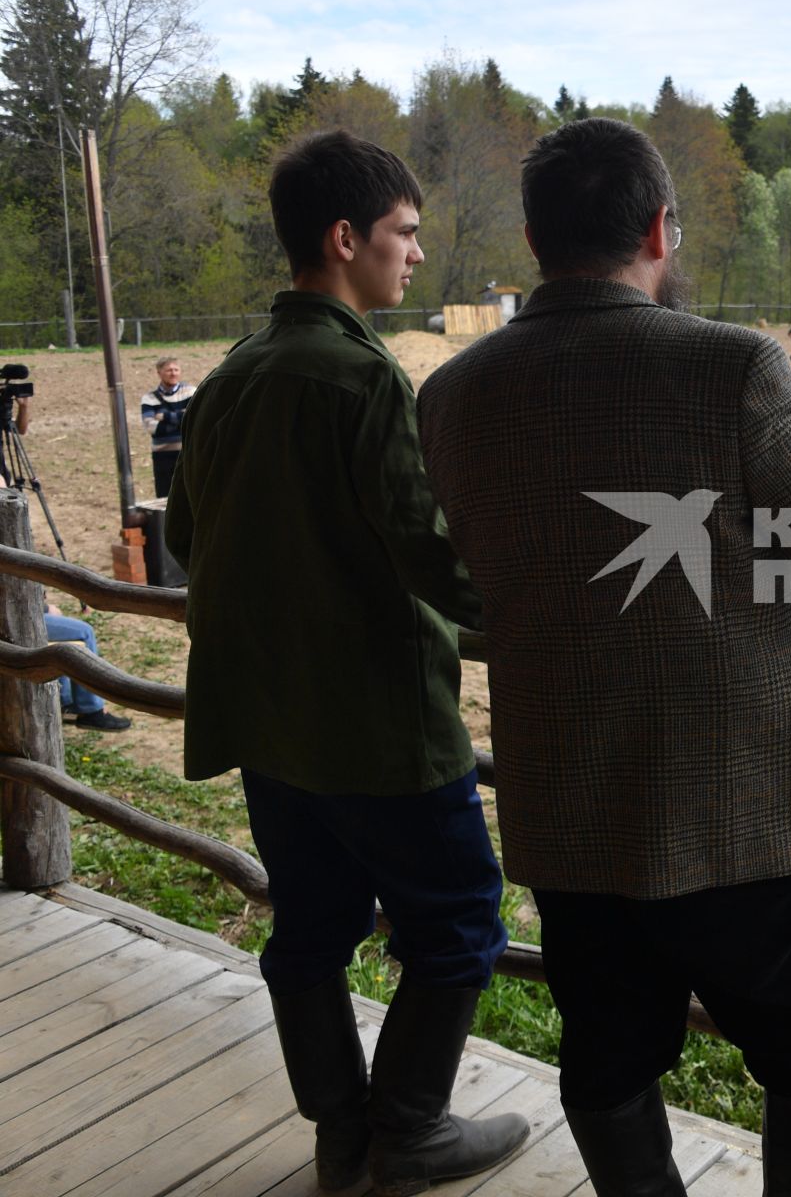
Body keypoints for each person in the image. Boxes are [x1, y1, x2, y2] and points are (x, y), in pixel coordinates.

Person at [415, 118, 791, 1193]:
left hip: (571, 799)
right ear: (661, 227)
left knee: (606, 1054)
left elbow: (471, 572)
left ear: (531, 237)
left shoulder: (453, 392)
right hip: (755, 799)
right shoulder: (730, 366)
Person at [165, 130, 527, 1193]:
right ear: (344, 238)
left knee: (313, 927)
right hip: (379, 725)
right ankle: (408, 1129)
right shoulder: (361, 377)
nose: (415, 255)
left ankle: (341, 1135)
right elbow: (430, 550)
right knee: (459, 923)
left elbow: (185, 531)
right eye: (403, 234)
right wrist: (529, 623)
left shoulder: (234, 374)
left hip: (268, 724)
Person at [44, 610, 133, 730]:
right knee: (85, 632)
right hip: (26, 618)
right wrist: (45, 607)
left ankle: (65, 702)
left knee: (66, 629)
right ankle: (91, 710)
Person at [141, 356, 195, 497]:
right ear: (159, 373)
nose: (173, 373)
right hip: (162, 456)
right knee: (165, 497)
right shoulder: (149, 398)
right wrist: (181, 421)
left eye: (176, 369)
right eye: (169, 370)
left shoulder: (190, 392)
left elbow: (194, 420)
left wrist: (165, 416)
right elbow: (152, 427)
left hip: (187, 453)